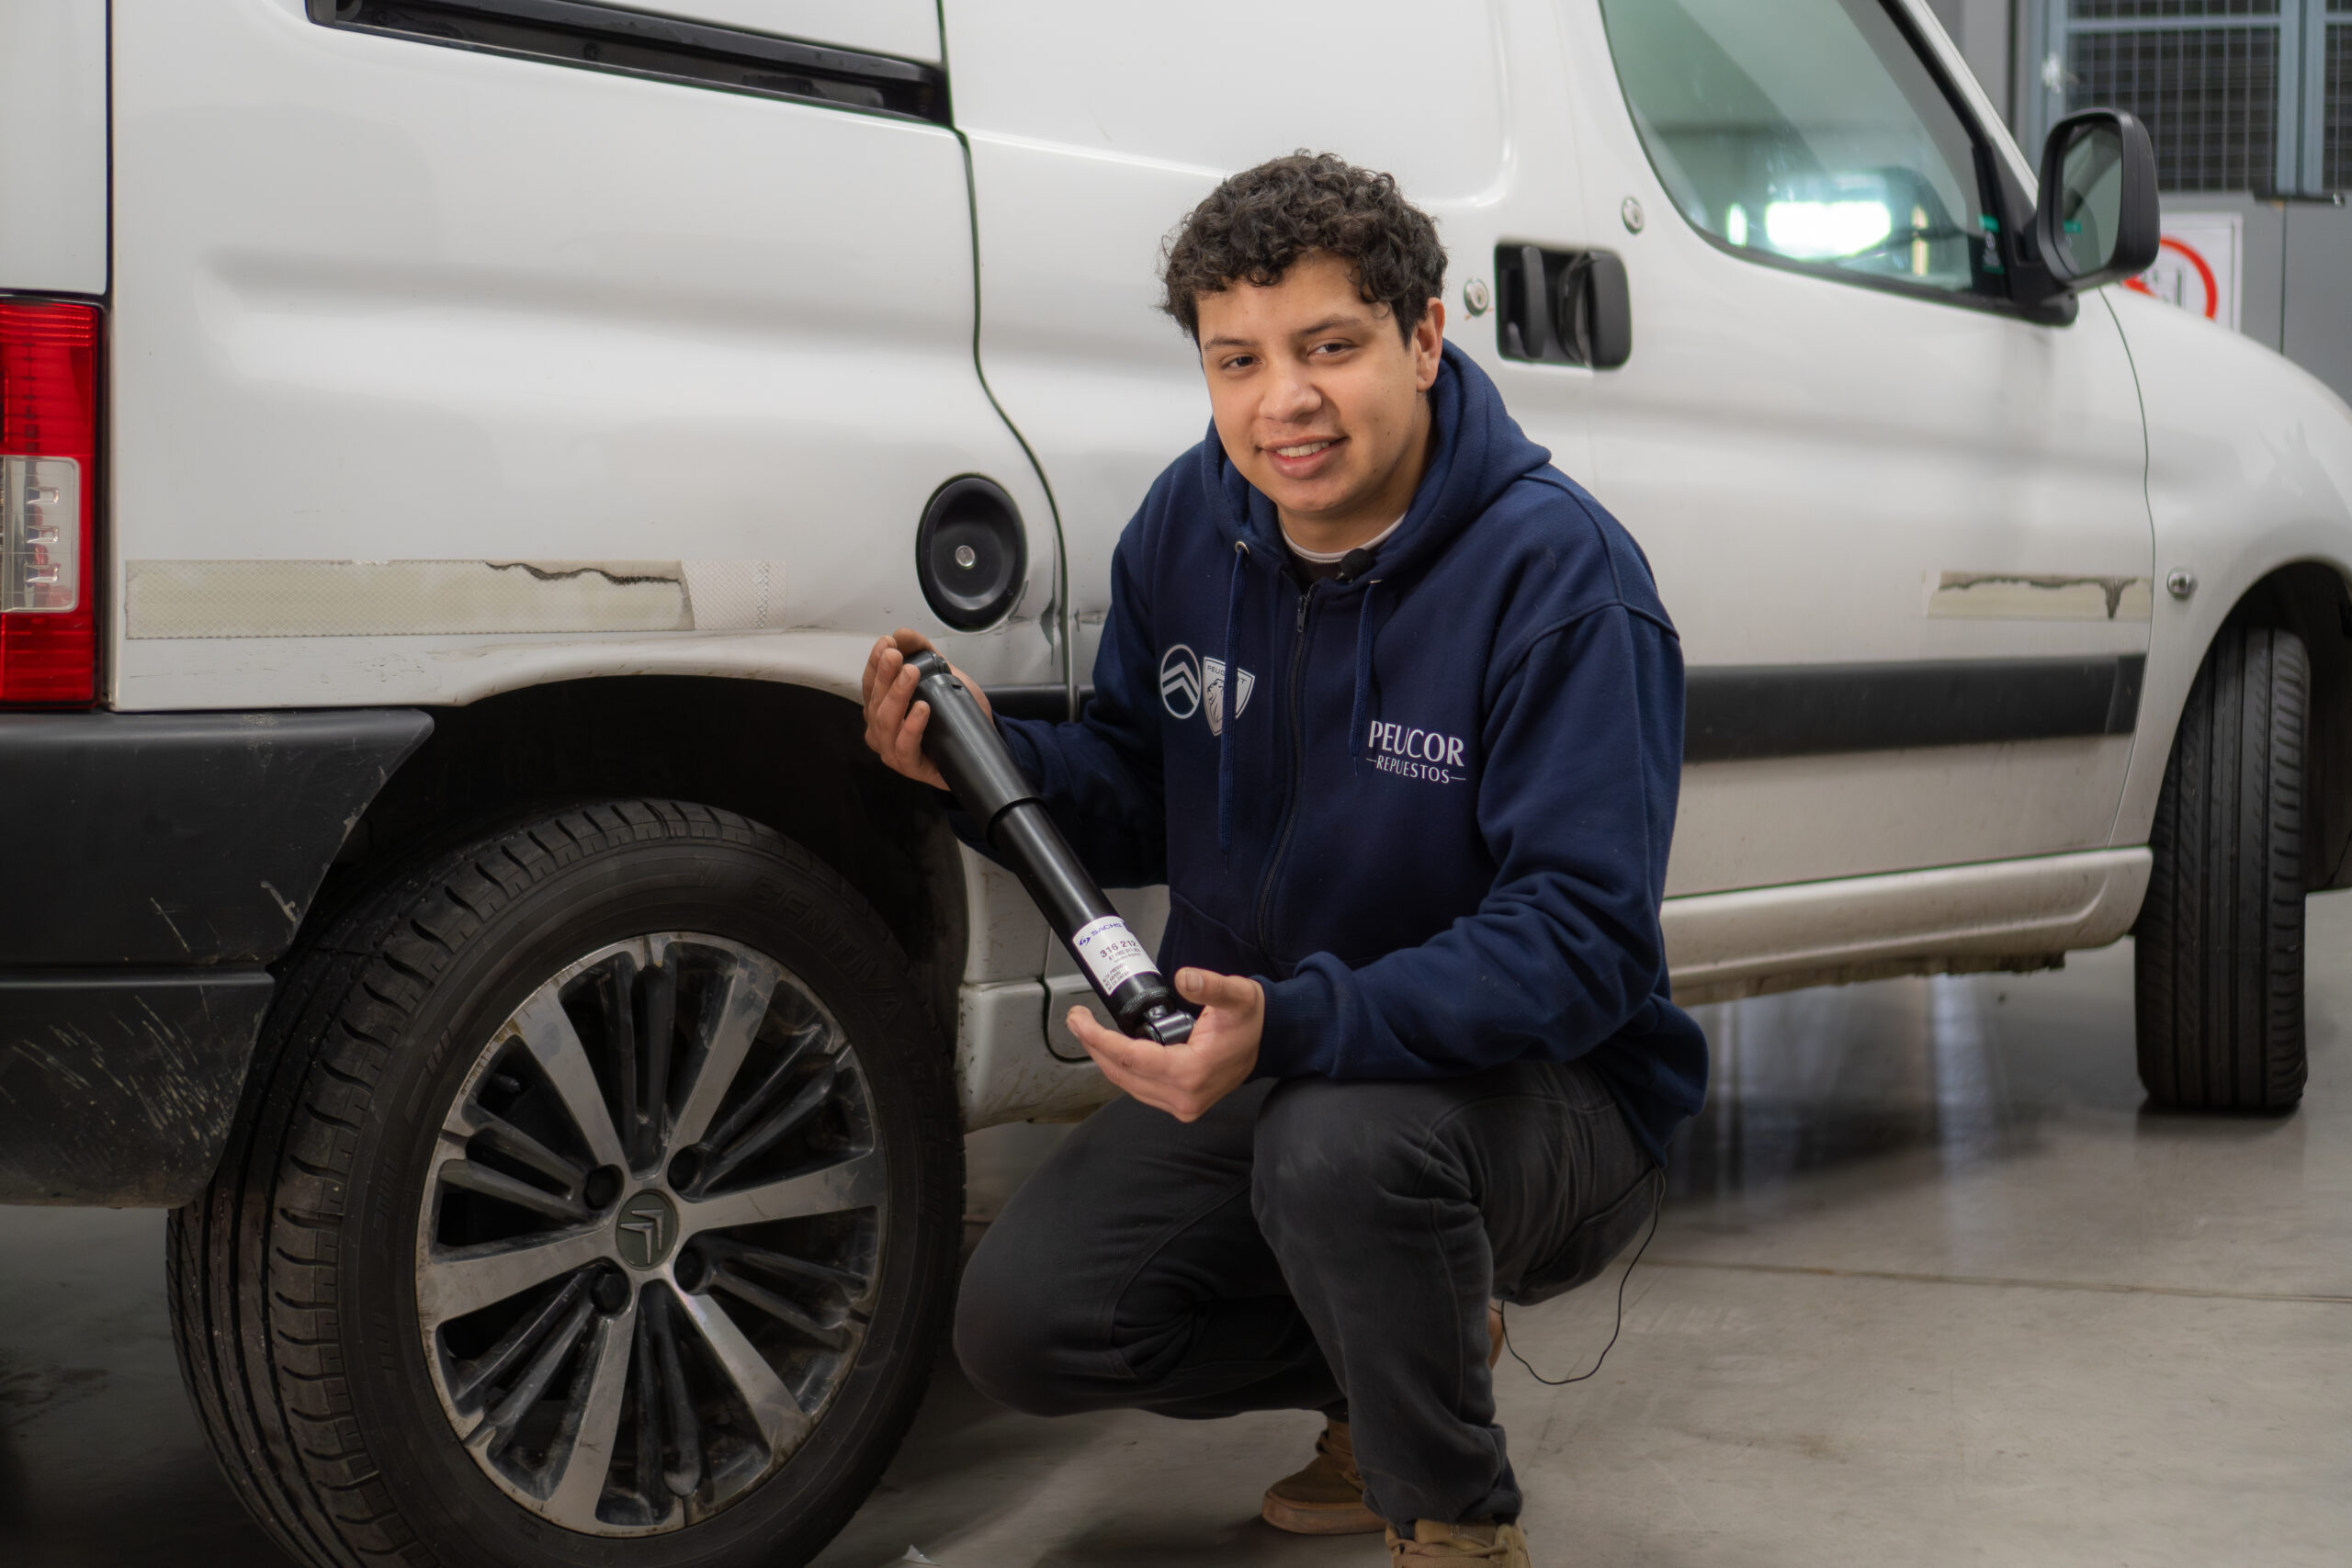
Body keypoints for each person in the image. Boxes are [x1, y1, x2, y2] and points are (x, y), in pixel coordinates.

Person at [861, 152, 1706, 1567]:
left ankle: (1449, 1516)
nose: (1282, 402)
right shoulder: (1192, 529)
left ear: (1424, 340)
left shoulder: (1561, 582)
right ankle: (1404, 1340)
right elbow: (1139, 790)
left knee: (1342, 1148)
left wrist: (1299, 1023)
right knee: (1026, 1325)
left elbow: (1583, 941)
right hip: (1280, 1052)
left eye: (1331, 347)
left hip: (1551, 1093)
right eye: (1236, 359)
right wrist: (978, 766)